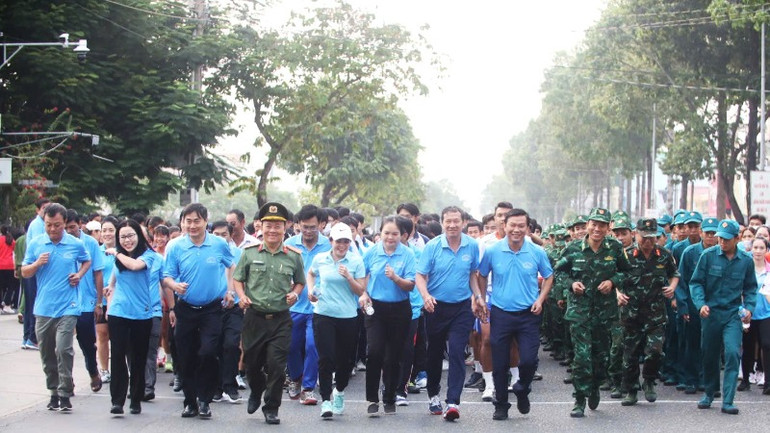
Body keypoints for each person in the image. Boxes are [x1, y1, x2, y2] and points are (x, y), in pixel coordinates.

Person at [555, 207, 631, 418]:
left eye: (602, 225)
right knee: (582, 357)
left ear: (608, 228)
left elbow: (627, 271)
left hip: (605, 313)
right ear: (588, 225)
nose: (597, 229)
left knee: (601, 357)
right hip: (579, 312)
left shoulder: (615, 248)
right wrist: (571, 285)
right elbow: (558, 272)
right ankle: (579, 399)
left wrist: (612, 281)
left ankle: (595, 385)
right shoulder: (572, 249)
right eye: (594, 224)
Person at [233, 202, 305, 425]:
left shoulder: (293, 256)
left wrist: (295, 294)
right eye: (268, 226)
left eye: (277, 226)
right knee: (251, 364)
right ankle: (256, 389)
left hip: (280, 320)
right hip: (254, 318)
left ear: (285, 227)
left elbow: (300, 282)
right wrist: (241, 296)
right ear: (261, 227)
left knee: (277, 365)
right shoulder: (249, 253)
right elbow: (238, 279)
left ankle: (271, 407)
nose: (272, 230)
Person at [478, 208, 553, 421]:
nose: (516, 230)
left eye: (521, 226)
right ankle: (501, 404)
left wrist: (540, 299)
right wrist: (481, 299)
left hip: (529, 314)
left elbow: (548, 276)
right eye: (513, 225)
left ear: (528, 228)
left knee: (529, 360)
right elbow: (481, 275)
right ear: (505, 226)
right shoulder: (493, 251)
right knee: (500, 363)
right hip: (501, 313)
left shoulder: (536, 252)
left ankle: (522, 388)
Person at [163, 203, 235, 419]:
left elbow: (232, 266)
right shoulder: (176, 246)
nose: (192, 225)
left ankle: (205, 399)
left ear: (205, 221)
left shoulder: (218, 244)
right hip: (186, 308)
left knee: (208, 352)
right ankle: (190, 402)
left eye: (197, 221)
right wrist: (175, 286)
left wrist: (229, 290)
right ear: (182, 223)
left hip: (212, 309)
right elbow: (167, 276)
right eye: (188, 221)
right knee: (185, 356)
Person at [21, 203, 91, 412]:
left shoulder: (75, 244)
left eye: (57, 225)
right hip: (43, 308)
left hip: (68, 306)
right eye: (49, 225)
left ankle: (65, 393)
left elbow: (86, 261)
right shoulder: (36, 243)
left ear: (65, 223)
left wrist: (79, 275)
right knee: (46, 353)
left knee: (63, 349)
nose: (53, 229)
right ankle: (53, 391)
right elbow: (25, 271)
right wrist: (37, 264)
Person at [415, 206, 482, 421]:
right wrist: (426, 296)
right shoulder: (433, 246)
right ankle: (433, 395)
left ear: (463, 222)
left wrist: (477, 296)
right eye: (448, 221)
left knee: (456, 351)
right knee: (434, 353)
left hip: (462, 308)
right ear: (442, 223)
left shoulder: (472, 245)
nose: (452, 225)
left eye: (456, 221)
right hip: (436, 306)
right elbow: (420, 275)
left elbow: (472, 274)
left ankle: (453, 402)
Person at [690, 219, 757, 414]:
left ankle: (728, 400)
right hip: (711, 314)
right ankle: (709, 393)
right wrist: (701, 304)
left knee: (733, 353)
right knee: (709, 355)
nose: (722, 242)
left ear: (737, 239)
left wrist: (749, 308)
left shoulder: (746, 261)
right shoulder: (708, 256)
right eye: (720, 238)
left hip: (732, 314)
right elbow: (696, 283)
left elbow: (751, 288)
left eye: (727, 239)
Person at [359, 216, 417, 416]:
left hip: (400, 309)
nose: (390, 237)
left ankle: (390, 396)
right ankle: (372, 398)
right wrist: (363, 293)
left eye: (395, 234)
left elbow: (410, 285)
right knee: (374, 351)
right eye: (386, 233)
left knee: (393, 356)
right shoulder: (372, 252)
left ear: (402, 235)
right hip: (375, 309)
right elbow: (361, 276)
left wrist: (395, 278)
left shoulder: (407, 254)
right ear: (380, 233)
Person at [617, 218, 679, 406]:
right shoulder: (626, 255)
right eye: (644, 237)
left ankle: (649, 380)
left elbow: (674, 274)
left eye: (652, 237)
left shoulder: (664, 255)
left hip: (655, 314)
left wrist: (672, 287)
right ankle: (631, 390)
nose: (648, 241)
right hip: (631, 314)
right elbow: (613, 277)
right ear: (636, 234)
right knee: (630, 355)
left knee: (655, 351)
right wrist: (617, 294)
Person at [307, 223, 366, 418]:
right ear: (331, 241)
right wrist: (311, 290)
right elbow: (311, 273)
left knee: (345, 361)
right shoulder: (320, 259)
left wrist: (349, 277)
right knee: (326, 358)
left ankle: (339, 391)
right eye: (338, 241)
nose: (342, 245)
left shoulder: (355, 261)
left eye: (346, 242)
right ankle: (325, 400)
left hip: (348, 316)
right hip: (323, 313)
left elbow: (360, 291)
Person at [104, 219, 160, 415]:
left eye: (130, 236)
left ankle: (136, 399)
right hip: (118, 313)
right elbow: (115, 276)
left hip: (142, 314)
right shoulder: (118, 258)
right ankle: (117, 401)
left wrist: (116, 252)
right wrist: (110, 288)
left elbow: (135, 266)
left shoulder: (148, 255)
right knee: (118, 356)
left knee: (138, 358)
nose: (127, 240)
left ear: (139, 236)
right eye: (122, 237)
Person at [284, 204, 331, 405]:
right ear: (298, 225)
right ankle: (295, 377)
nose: (309, 231)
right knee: (291, 345)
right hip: (293, 306)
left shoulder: (329, 245)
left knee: (312, 345)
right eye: (305, 227)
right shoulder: (289, 245)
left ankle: (308, 388)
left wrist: (318, 292)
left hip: (318, 307)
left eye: (313, 227)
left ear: (321, 225)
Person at [675, 217, 719, 394]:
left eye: (714, 233)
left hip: (715, 306)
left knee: (712, 345)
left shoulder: (722, 253)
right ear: (702, 233)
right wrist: (683, 306)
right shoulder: (690, 252)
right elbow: (681, 281)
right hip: (693, 305)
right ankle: (691, 380)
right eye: (708, 233)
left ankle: (709, 382)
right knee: (692, 343)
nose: (711, 236)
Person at [64, 210, 105, 394]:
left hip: (86, 301)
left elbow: (98, 273)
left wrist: (99, 302)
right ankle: (67, 380)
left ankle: (93, 371)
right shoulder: (60, 243)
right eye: (66, 228)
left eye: (72, 227)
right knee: (63, 345)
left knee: (87, 342)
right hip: (64, 302)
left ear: (80, 224)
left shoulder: (90, 243)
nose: (69, 231)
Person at [209, 221, 245, 403]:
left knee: (231, 344)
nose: (220, 238)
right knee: (214, 347)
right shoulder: (207, 251)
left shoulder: (240, 254)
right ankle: (216, 386)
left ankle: (230, 385)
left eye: (224, 234)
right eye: (216, 234)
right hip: (212, 306)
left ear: (231, 236)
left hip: (235, 307)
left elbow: (245, 277)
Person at [737, 237, 770, 391]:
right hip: (748, 313)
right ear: (751, 249)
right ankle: (745, 380)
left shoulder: (769, 271)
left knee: (767, 344)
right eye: (755, 247)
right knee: (748, 346)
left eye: (761, 248)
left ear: (766, 250)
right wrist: (742, 311)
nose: (758, 251)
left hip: (766, 314)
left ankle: (768, 382)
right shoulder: (745, 269)